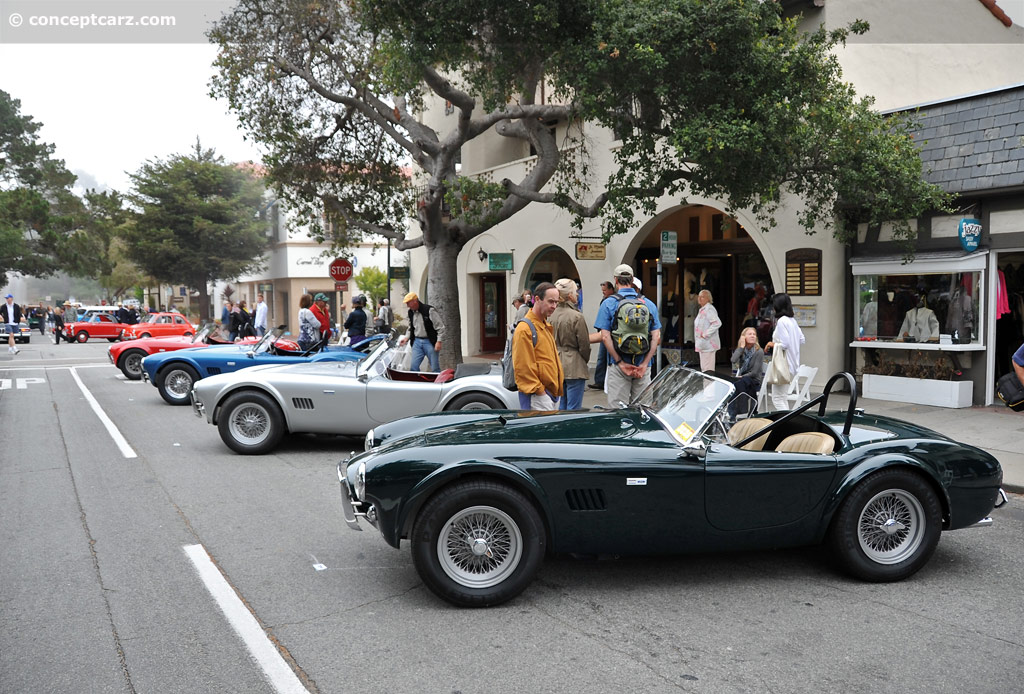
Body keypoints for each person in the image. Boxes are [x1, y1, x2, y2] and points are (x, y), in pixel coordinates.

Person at [595, 264, 662, 407]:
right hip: (643, 365)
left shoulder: (609, 303)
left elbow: (605, 337)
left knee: (619, 411)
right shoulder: (648, 304)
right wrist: (644, 364)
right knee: (642, 410)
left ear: (615, 280)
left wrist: (620, 362)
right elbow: (656, 337)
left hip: (619, 364)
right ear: (632, 280)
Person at [512, 282, 564, 410]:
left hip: (548, 394)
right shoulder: (525, 329)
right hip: (537, 396)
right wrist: (540, 392)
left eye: (556, 302)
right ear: (537, 299)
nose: (554, 306)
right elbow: (523, 369)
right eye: (551, 301)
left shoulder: (544, 325)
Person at [550, 278, 591, 410]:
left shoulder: (549, 315)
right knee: (574, 408)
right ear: (569, 296)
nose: (577, 294)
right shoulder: (576, 316)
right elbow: (584, 344)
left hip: (555, 361)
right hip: (574, 363)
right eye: (575, 292)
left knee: (561, 405)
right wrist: (584, 359)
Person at [765, 293, 806, 411]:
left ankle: (786, 423)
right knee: (782, 397)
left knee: (777, 398)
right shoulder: (792, 321)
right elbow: (802, 339)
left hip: (783, 364)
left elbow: (785, 344)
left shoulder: (782, 321)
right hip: (792, 363)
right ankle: (788, 422)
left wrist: (772, 344)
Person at [727, 327, 765, 422]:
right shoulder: (742, 350)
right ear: (744, 337)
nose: (752, 336)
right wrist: (741, 347)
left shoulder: (759, 351)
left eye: (754, 334)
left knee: (737, 384)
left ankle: (734, 414)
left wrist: (742, 376)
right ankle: (734, 413)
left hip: (754, 380)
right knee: (732, 385)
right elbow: (733, 360)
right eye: (750, 334)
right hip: (744, 380)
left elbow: (755, 372)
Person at [403, 291, 445, 372]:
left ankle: (437, 383)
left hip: (430, 341)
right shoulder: (410, 312)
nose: (407, 305)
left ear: (415, 301)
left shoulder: (429, 310)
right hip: (417, 342)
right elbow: (410, 327)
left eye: (408, 303)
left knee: (435, 367)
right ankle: (417, 382)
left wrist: (439, 341)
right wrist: (406, 337)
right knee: (413, 367)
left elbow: (440, 327)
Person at [589, 281, 616, 390]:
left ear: (611, 289)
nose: (603, 293)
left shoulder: (613, 301)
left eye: (605, 290)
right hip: (603, 332)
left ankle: (602, 381)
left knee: (605, 357)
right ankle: (599, 381)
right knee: (601, 357)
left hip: (608, 333)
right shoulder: (604, 300)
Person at [694, 289, 722, 373]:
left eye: (702, 297)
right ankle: (706, 385)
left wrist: (705, 334)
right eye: (699, 296)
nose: (700, 298)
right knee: (704, 369)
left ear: (708, 299)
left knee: (708, 370)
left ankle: (709, 386)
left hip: (708, 344)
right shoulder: (702, 309)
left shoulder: (709, 309)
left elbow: (717, 323)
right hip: (703, 344)